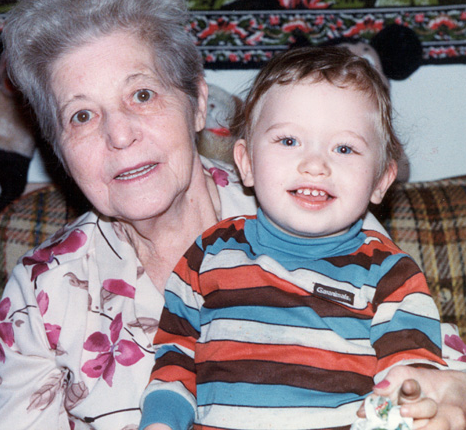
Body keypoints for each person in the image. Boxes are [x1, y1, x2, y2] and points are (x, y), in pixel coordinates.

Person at [0, 0, 466, 430]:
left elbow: (445, 380)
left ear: (196, 102)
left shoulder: (308, 203)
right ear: (59, 148)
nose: (118, 135)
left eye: (141, 94)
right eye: (81, 115)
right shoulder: (44, 293)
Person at [139, 46, 448, 430]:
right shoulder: (209, 253)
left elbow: (410, 383)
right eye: (288, 141)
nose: (315, 164)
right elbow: (175, 360)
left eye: (344, 148)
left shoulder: (390, 275)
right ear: (246, 162)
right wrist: (160, 423)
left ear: (381, 180)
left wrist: (411, 398)